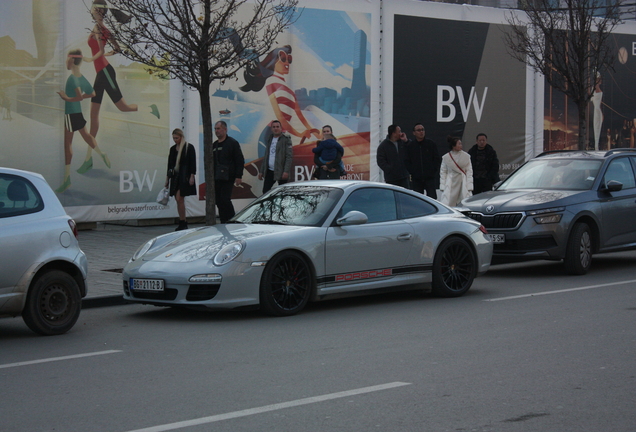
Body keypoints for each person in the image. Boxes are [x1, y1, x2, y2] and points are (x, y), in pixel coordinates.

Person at [83, 0, 138, 169]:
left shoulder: (100, 29)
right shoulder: (100, 28)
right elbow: (116, 48)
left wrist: (91, 58)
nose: (91, 9)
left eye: (93, 7)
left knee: (124, 107)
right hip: (102, 73)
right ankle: (88, 157)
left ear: (98, 10)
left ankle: (145, 107)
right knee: (93, 115)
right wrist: (104, 54)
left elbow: (99, 50)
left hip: (105, 73)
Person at [55, 49, 110, 193]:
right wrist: (79, 97)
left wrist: (65, 97)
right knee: (86, 136)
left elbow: (79, 96)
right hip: (77, 113)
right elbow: (92, 93)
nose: (66, 62)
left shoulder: (72, 78)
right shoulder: (81, 76)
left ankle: (67, 179)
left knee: (67, 145)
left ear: (72, 60)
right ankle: (101, 153)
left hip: (70, 114)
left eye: (67, 59)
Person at [241, 45, 320, 143]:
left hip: (282, 133)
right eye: (283, 59)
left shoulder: (287, 87)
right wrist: (299, 134)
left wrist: (314, 131)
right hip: (271, 134)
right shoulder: (272, 82)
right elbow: (280, 117)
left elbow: (299, 114)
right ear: (273, 62)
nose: (287, 63)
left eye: (289, 59)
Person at [212, 121, 244, 223]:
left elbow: (239, 160)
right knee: (218, 200)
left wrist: (238, 176)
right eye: (215, 129)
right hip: (217, 177)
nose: (216, 131)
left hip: (228, 177)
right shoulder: (214, 145)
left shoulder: (232, 143)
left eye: (218, 128)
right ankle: (223, 221)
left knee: (225, 199)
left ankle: (232, 220)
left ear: (225, 129)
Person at [165, 128, 196, 231]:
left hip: (184, 177)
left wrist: (192, 176)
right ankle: (182, 220)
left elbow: (192, 163)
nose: (175, 140)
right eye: (173, 138)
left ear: (181, 137)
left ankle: (183, 221)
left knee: (179, 198)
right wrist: (167, 179)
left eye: (177, 138)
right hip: (175, 177)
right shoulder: (173, 149)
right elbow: (169, 165)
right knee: (177, 200)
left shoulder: (188, 147)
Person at [405, 123, 441, 198]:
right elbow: (407, 161)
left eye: (422, 130)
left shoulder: (431, 144)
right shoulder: (411, 146)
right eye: (419, 130)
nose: (421, 132)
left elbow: (437, 159)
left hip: (429, 178)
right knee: (417, 199)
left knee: (432, 198)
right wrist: (413, 172)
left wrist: (433, 170)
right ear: (414, 133)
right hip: (417, 179)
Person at [258, 120, 293, 193]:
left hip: (281, 171)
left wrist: (286, 171)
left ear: (281, 128)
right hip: (270, 171)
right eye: (273, 127)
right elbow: (266, 156)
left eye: (277, 127)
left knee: (283, 194)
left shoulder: (286, 139)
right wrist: (261, 171)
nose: (275, 128)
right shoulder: (270, 138)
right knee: (265, 192)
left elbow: (289, 157)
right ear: (271, 129)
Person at [440, 136, 473, 207]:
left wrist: (469, 185)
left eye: (461, 144)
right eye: (459, 144)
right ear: (453, 146)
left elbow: (469, 171)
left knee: (464, 202)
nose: (461, 145)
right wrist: (443, 185)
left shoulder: (466, 156)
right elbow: (443, 172)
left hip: (463, 181)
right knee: (448, 203)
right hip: (450, 182)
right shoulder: (446, 157)